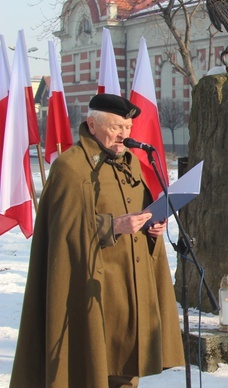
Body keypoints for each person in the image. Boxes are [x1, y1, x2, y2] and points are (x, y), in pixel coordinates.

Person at [11, 94, 185, 388]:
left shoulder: (131, 162)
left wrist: (152, 228)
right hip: (92, 291)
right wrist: (113, 226)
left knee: (128, 370)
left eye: (128, 128)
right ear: (92, 125)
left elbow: (140, 214)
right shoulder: (71, 168)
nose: (124, 135)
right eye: (117, 127)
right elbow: (62, 233)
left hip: (132, 291)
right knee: (92, 370)